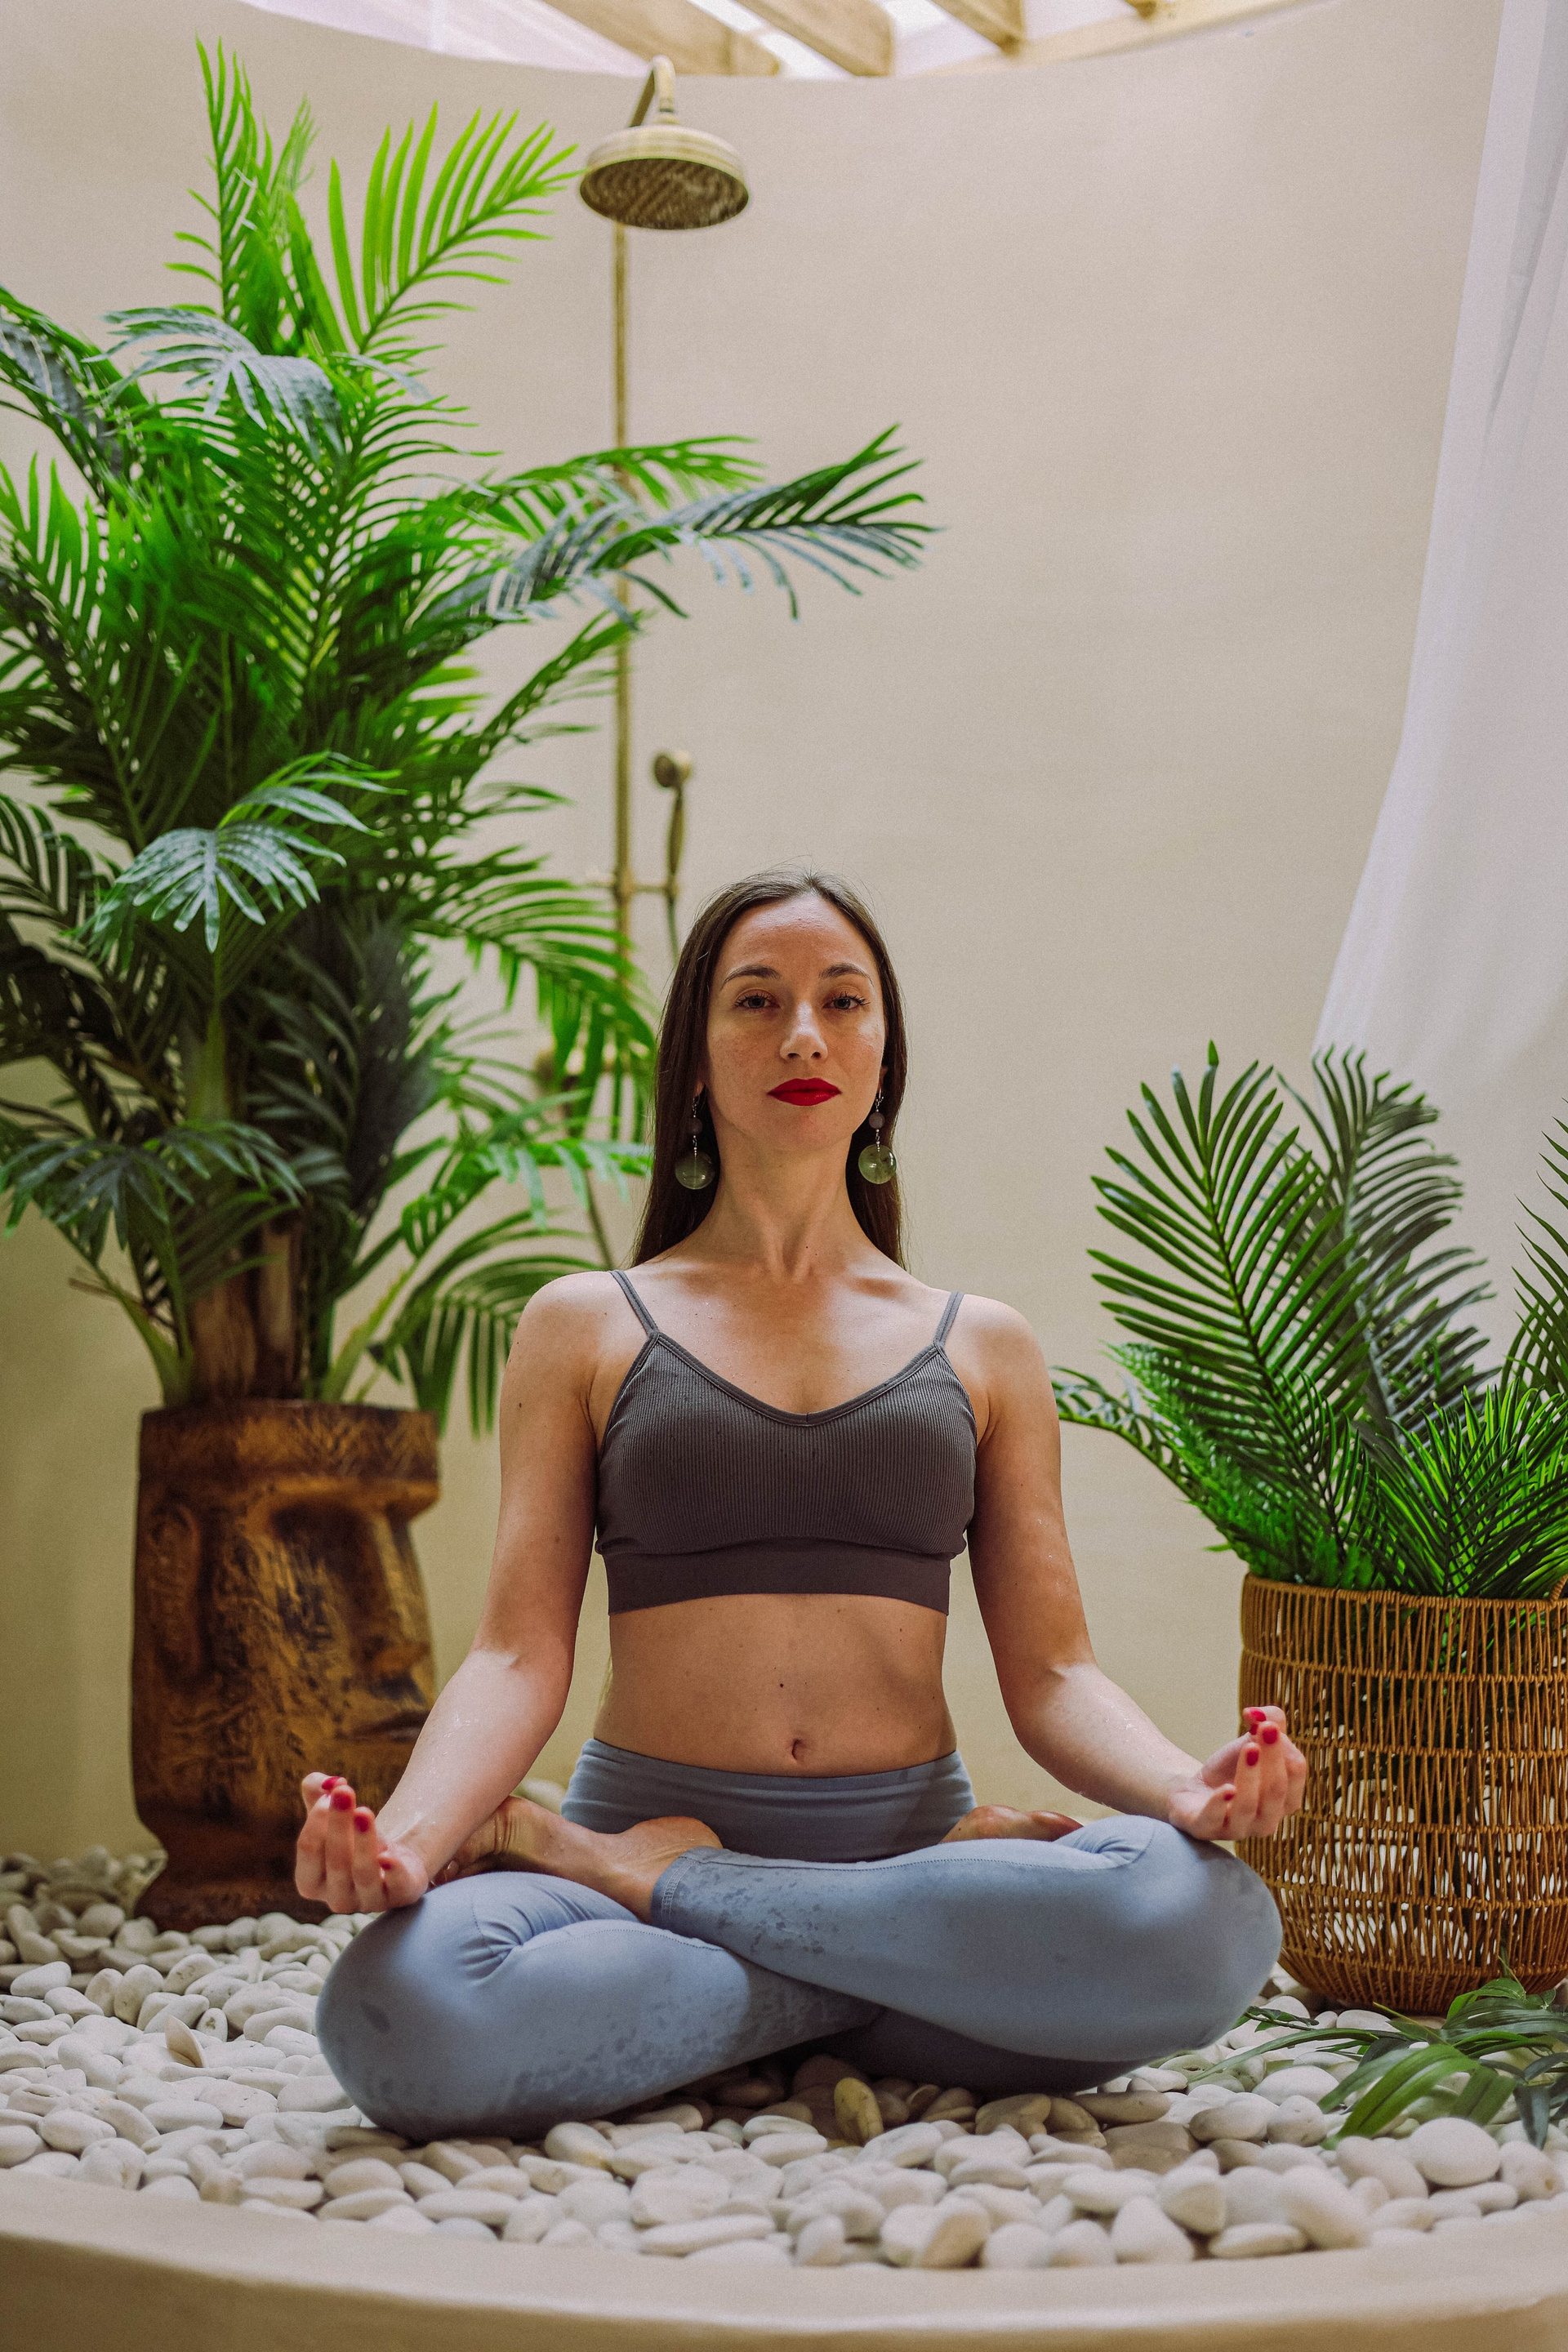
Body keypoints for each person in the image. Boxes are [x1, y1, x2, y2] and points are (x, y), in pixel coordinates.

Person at [300, 868, 1303, 2142]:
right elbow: (515, 1654)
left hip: (869, 1861)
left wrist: (1182, 1788)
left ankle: (682, 1897)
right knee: (400, 2015)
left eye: (842, 1000)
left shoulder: (985, 1346)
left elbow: (1054, 1675)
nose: (804, 1036)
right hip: (812, 1878)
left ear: (886, 1055)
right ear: (695, 1059)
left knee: (1210, 1921)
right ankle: (862, 1982)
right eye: (757, 1001)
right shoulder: (585, 1325)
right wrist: (409, 1837)